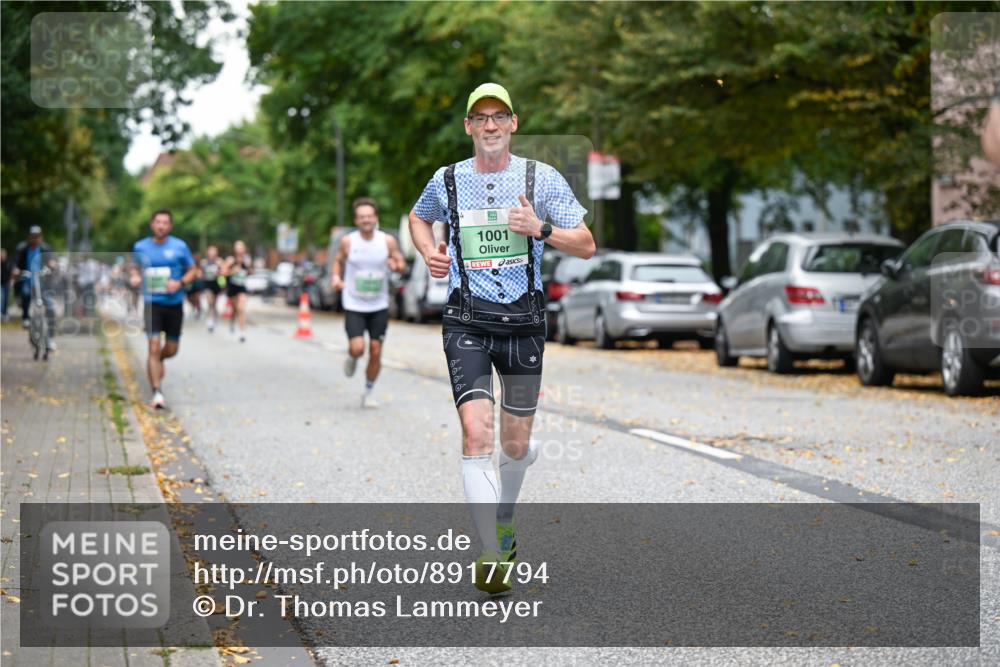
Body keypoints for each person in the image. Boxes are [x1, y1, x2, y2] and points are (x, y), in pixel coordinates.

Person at [409, 83, 595, 593]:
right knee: (476, 434)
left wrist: (540, 228)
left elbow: (586, 244)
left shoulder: (541, 178)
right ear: (468, 127)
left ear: (513, 123)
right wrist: (429, 251)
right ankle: (490, 551)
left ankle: (506, 521)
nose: (489, 125)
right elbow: (418, 216)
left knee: (515, 447)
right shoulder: (447, 180)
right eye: (480, 118)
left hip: (523, 324)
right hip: (466, 321)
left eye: (499, 116)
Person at [330, 197, 407, 408]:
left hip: (379, 304)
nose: (366, 220)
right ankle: (353, 357)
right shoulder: (348, 241)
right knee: (358, 348)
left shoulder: (387, 241)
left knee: (375, 349)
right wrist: (336, 278)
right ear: (356, 220)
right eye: (362, 217)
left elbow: (401, 263)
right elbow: (337, 261)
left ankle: (368, 391)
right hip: (354, 303)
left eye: (369, 216)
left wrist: (396, 265)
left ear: (376, 218)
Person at [133, 210, 196, 409]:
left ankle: (158, 359)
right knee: (153, 345)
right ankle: (157, 392)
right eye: (158, 222)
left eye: (165, 222)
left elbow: (193, 270)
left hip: (174, 303)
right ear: (152, 224)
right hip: (152, 303)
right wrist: (134, 276)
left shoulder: (180, 246)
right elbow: (134, 268)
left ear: (170, 226)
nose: (161, 226)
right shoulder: (140, 246)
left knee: (171, 349)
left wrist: (180, 283)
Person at [13, 226, 53, 329]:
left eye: (37, 236)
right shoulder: (22, 248)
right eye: (33, 236)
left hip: (42, 281)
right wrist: (16, 269)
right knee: (26, 294)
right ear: (29, 237)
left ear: (41, 237)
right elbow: (15, 262)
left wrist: (52, 264)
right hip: (27, 279)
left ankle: (51, 325)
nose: (35, 238)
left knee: (49, 303)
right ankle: (25, 317)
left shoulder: (45, 248)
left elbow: (51, 260)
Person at [223, 240, 252, 342]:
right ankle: (232, 320)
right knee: (235, 309)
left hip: (242, 287)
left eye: (241, 247)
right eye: (237, 247)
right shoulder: (231, 260)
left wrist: (248, 268)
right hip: (232, 287)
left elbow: (250, 272)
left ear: (244, 248)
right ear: (234, 249)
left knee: (241, 308)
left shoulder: (247, 259)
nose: (239, 249)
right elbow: (223, 272)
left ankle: (242, 332)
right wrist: (232, 271)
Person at [199, 245, 224, 332]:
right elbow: (200, 273)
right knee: (209, 302)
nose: (212, 253)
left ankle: (214, 318)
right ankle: (209, 320)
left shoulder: (219, 261)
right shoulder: (204, 262)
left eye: (214, 251)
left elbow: (223, 272)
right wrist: (203, 275)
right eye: (210, 251)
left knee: (214, 304)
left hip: (216, 284)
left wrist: (219, 271)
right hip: (207, 284)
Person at [1, 248, 11, 322]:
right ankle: (1, 313)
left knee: (6, 299)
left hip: (6, 283)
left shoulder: (8, 263)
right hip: (1, 284)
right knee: (1, 298)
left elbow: (11, 274)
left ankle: (5, 313)